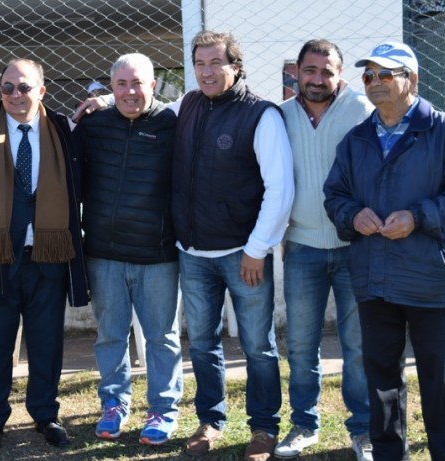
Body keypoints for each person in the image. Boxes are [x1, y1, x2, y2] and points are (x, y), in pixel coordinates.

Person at [324, 41, 445, 461]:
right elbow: (335, 195)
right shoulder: (356, 139)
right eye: (369, 75)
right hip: (374, 277)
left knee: (441, 381)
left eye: (385, 74)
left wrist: (417, 217)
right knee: (381, 383)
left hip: (431, 278)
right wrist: (353, 214)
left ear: (411, 80)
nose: (374, 82)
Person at [0, 58, 89, 454]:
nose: (14, 95)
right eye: (7, 87)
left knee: (47, 344)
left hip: (49, 257)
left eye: (24, 87)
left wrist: (102, 106)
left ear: (41, 91)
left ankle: (46, 415)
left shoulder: (64, 130)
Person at [172, 31, 293, 461]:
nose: (206, 71)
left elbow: (280, 189)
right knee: (202, 343)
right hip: (193, 253)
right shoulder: (187, 105)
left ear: (236, 66)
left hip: (243, 255)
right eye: (199, 63)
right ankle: (211, 420)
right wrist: (101, 104)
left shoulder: (261, 115)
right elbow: (143, 109)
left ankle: (263, 429)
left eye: (215, 63)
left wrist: (256, 249)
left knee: (258, 346)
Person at [74, 53, 182, 445]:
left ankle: (163, 409)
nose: (130, 92)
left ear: (153, 85)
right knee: (110, 336)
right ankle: (114, 403)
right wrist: (98, 103)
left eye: (138, 83)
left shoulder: (173, 124)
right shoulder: (93, 125)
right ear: (111, 86)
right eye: (121, 84)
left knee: (162, 338)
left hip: (157, 256)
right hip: (103, 253)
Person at [274, 39, 374, 461]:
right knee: (300, 343)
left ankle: (364, 430)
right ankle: (304, 425)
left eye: (326, 72)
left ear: (340, 75)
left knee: (358, 345)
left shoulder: (362, 112)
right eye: (309, 71)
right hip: (301, 247)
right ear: (296, 71)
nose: (317, 80)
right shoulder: (277, 116)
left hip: (356, 248)